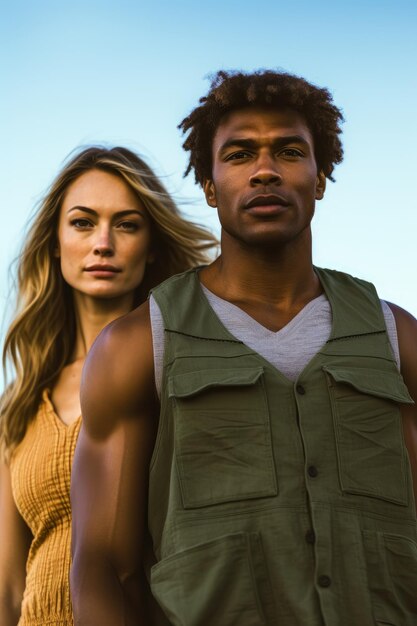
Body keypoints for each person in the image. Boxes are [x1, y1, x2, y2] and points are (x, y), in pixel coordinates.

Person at [70, 71, 417, 626]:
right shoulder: (137, 344)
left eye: (288, 151)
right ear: (209, 186)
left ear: (320, 176)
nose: (264, 171)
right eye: (238, 155)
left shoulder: (395, 336)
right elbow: (103, 567)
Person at [0, 145, 216, 626]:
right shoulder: (18, 406)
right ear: (55, 242)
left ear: (152, 244)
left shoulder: (181, 375)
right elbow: (9, 586)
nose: (103, 243)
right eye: (82, 222)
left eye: (126, 224)